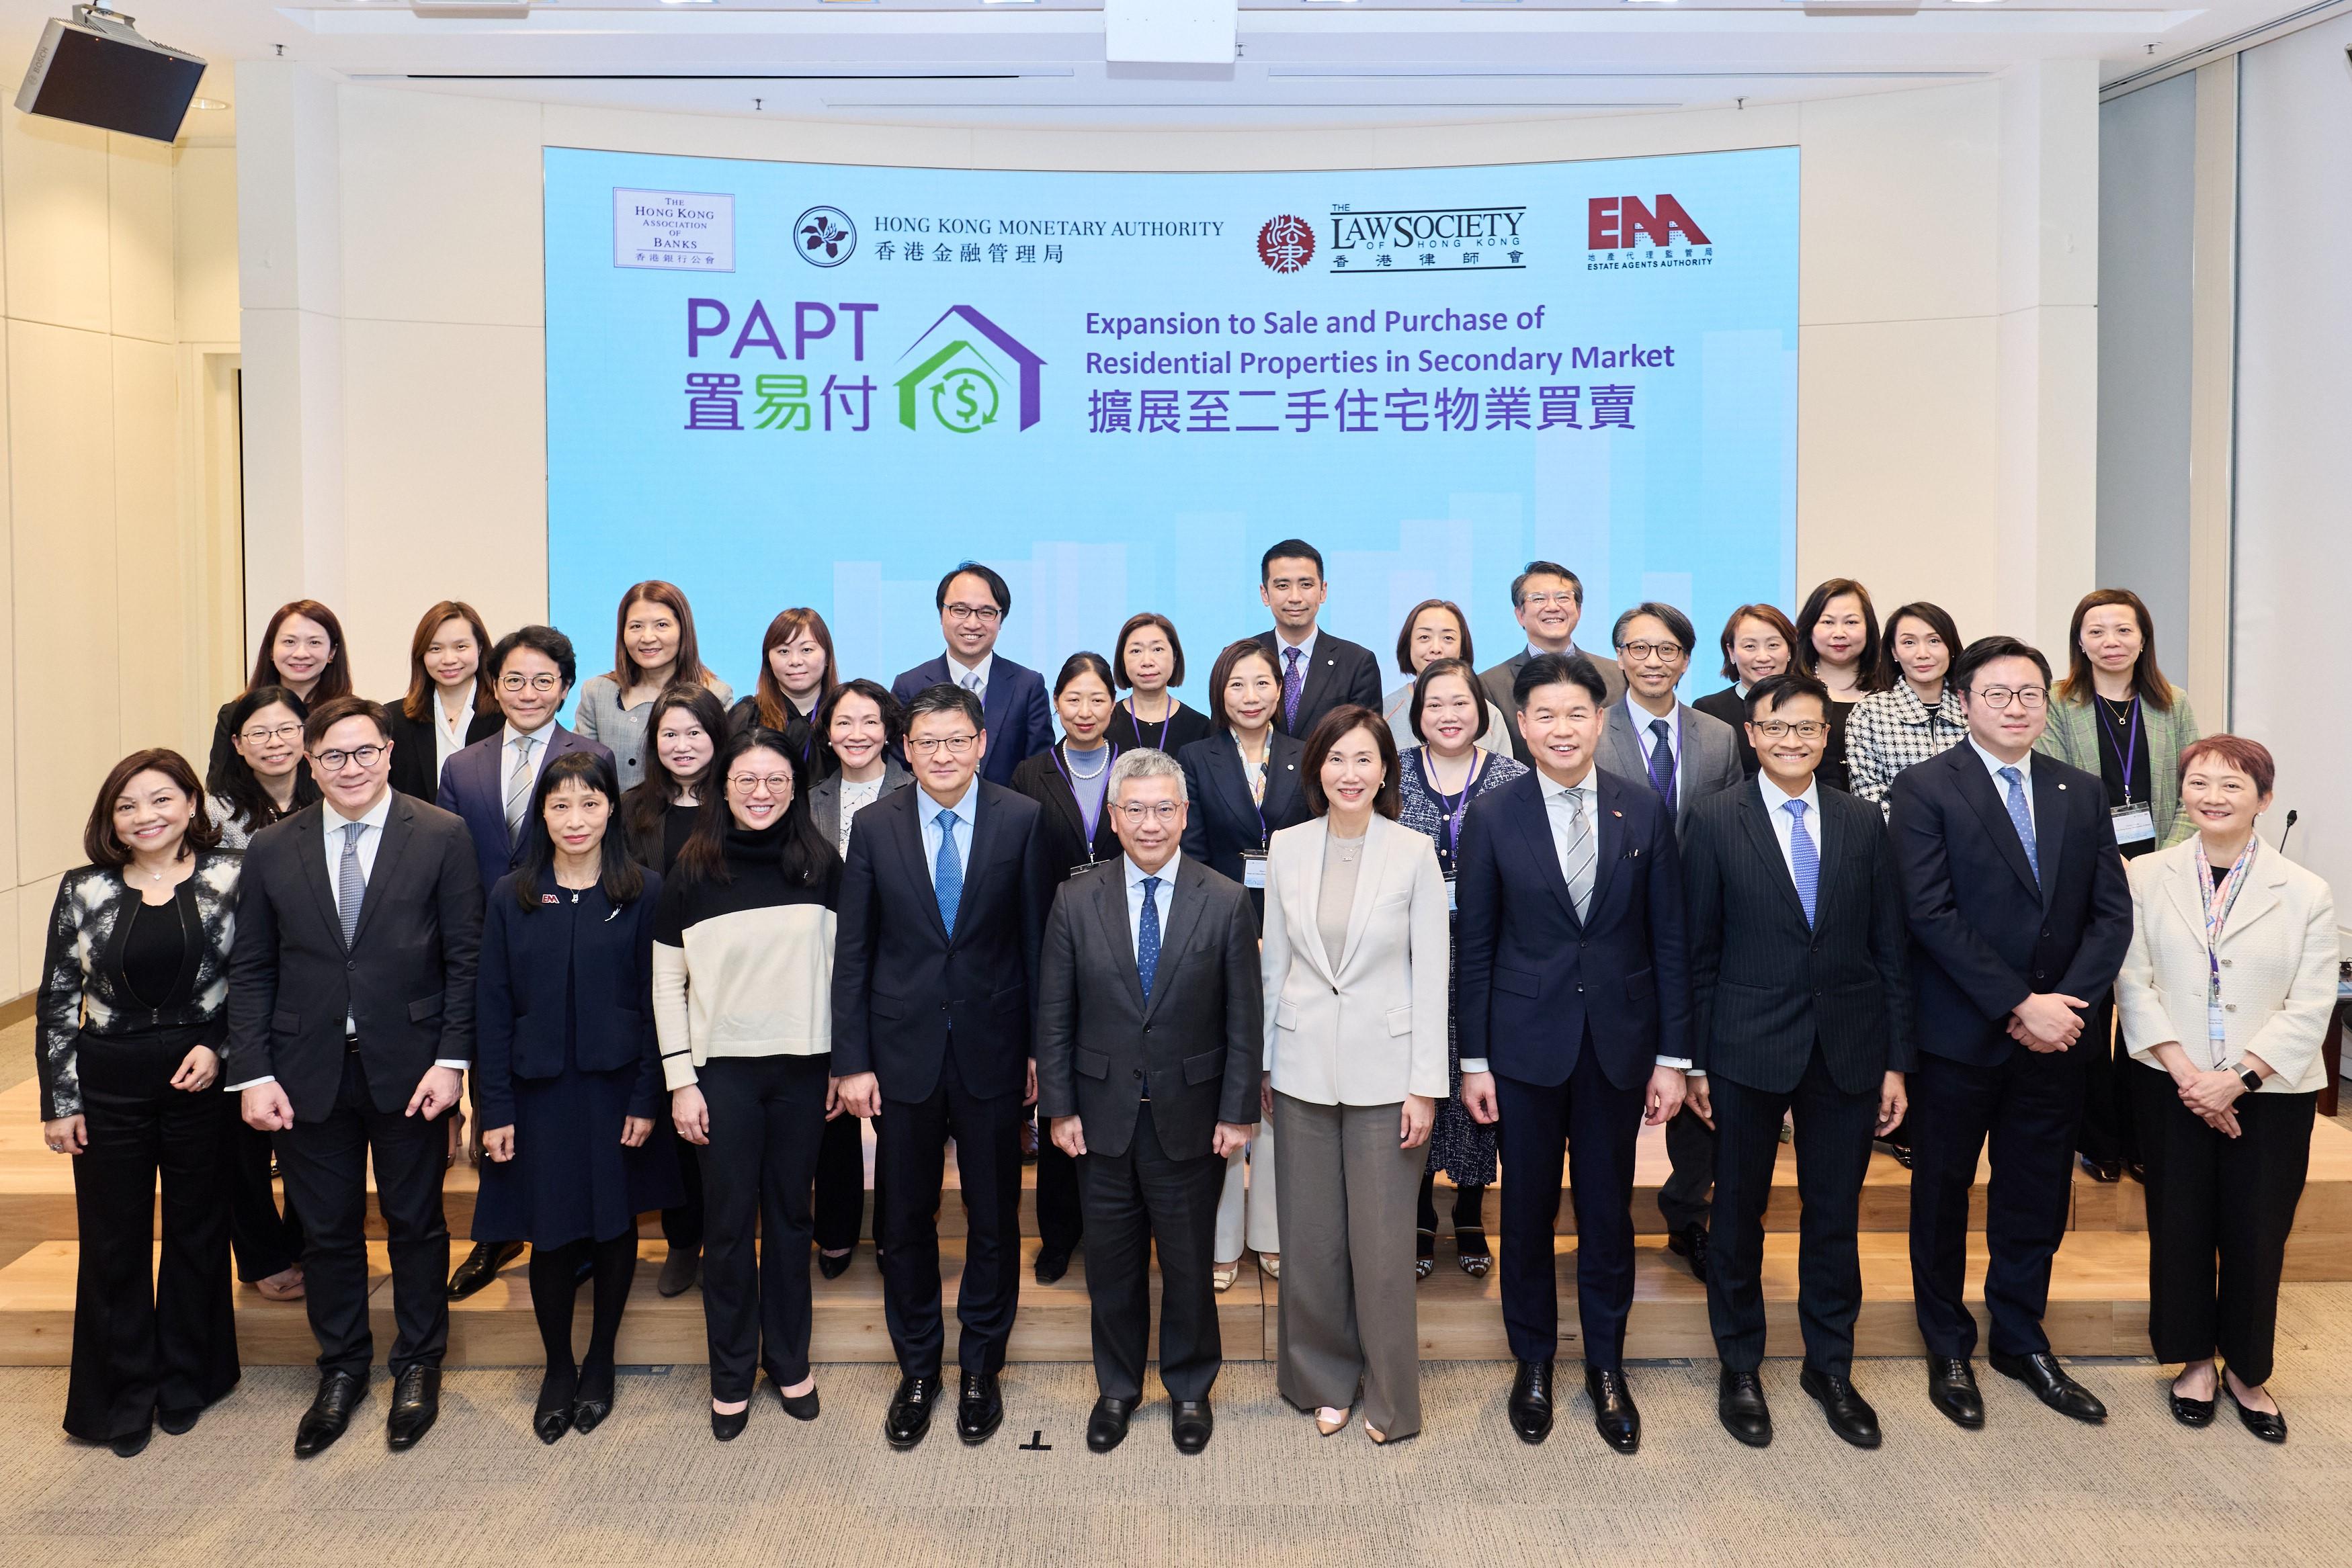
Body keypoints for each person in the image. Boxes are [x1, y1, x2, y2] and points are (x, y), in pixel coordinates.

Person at [224, 695, 483, 1456]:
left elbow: (465, 959)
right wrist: (253, 1074)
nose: (351, 768)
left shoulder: (441, 834)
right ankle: (340, 1366)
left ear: (389, 754)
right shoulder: (274, 848)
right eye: (332, 756)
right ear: (310, 763)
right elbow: (251, 968)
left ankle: (417, 1364)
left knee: (416, 1224)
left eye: (365, 752)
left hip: (412, 1069)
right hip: (306, 1070)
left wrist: (451, 1062)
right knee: (329, 1232)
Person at [1887, 635, 2131, 1431]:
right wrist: (2015, 1004)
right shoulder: (1924, 787)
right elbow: (1928, 913)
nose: (2015, 707)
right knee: (1942, 1193)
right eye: (1996, 694)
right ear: (1963, 702)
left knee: (2032, 1194)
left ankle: (2020, 1338)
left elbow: (2109, 915)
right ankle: (1947, 1343)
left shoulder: (2080, 790)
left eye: (2028, 693)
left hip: (2059, 1037)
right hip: (1960, 1035)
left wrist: (2064, 1005)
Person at [1456, 652, 1690, 1455]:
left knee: (1605, 1214)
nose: (1561, 729)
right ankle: (1532, 1363)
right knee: (1523, 1215)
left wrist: (1672, 1057)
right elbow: (1476, 946)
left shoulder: (1641, 808)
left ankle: (1605, 1368)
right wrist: (1473, 1061)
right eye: (1544, 716)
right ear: (1521, 726)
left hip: (1618, 1048)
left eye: (1576, 715)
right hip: (1521, 1049)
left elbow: (1668, 941)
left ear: (1601, 720)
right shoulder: (1492, 814)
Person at [1681, 673, 1913, 1450]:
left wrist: (1894, 1062)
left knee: (1831, 1215)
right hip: (1743, 1047)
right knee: (1736, 1214)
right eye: (1775, 728)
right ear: (1750, 734)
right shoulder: (1713, 821)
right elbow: (1698, 953)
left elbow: (1889, 949)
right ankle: (1739, 1363)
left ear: (1826, 736)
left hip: (1846, 1048)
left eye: (1807, 729)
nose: (1791, 741)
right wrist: (1695, 1064)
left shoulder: (1858, 821)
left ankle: (1829, 1365)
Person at [831, 683, 1054, 1450]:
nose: (943, 755)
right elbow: (853, 952)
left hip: (994, 1053)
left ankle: (979, 1368)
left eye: (957, 740)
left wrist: (1036, 1051)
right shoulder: (874, 826)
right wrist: (852, 1060)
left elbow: (1036, 949)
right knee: (904, 1219)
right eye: (927, 743)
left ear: (983, 742)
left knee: (993, 1219)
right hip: (900, 1057)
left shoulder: (1022, 820)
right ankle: (919, 1367)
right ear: (905, 749)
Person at [1034, 749, 1263, 1453]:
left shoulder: (1223, 898)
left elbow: (1242, 1021)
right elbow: (1055, 1014)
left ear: (1184, 814)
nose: (1150, 822)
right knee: (1111, 1265)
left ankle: (1190, 1389)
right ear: (1112, 816)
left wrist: (1235, 1113)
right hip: (1098, 1118)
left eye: (1164, 808)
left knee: (1190, 1265)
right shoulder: (1076, 898)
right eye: (1134, 808)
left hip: (1191, 1118)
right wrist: (1060, 1107)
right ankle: (1118, 1388)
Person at [2115, 735, 2335, 1444]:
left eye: (2231, 786)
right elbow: (2131, 980)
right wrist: (2188, 1076)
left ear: (2262, 800)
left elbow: (2311, 1001)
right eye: (2198, 782)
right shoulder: (2143, 876)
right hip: (2167, 1081)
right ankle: (2190, 1363)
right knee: (2177, 1224)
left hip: (2269, 1091)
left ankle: (2245, 1367)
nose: (2212, 796)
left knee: (2255, 1229)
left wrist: (2237, 1079)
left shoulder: (2304, 890)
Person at [471, 751, 680, 1444]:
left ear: (611, 809)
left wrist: (649, 1097)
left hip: (619, 1090)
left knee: (616, 1227)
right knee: (552, 1234)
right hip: (536, 1096)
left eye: (589, 803)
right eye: (559, 805)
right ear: (542, 815)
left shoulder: (643, 890)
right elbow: (492, 1008)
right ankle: (558, 1366)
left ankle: (599, 1360)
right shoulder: (512, 894)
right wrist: (492, 1108)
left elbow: (663, 1004)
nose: (575, 819)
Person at [37, 751, 241, 1457]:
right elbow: (60, 1000)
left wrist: (218, 1045)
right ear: (111, 820)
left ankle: (189, 1379)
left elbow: (255, 978)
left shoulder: (232, 877)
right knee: (113, 1241)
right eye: (128, 805)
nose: (145, 816)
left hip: (199, 1080)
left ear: (191, 804)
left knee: (195, 1232)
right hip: (109, 1082)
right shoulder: (83, 889)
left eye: (161, 800)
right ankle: (120, 1396)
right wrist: (61, 1102)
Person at [1261, 706, 1450, 1444]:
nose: (1349, 773)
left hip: (1387, 1077)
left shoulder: (1412, 852)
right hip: (1302, 1069)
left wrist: (1423, 1084)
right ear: (1316, 770)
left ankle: (1392, 1398)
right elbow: (1274, 961)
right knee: (1309, 1242)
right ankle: (1321, 1380)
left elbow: (1431, 974)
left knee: (1380, 1248)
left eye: (1364, 760)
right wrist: (1267, 1067)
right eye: (1336, 760)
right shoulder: (1286, 847)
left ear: (1384, 771)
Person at [654, 728, 842, 1440]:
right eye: (745, 781)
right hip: (719, 1077)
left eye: (774, 782)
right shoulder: (691, 871)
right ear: (721, 790)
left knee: (792, 1224)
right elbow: (665, 982)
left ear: (794, 791)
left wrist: (839, 1062)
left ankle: (788, 1363)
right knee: (728, 1230)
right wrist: (680, 1081)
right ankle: (730, 1374)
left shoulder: (821, 865)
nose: (760, 793)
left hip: (801, 1072)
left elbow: (842, 974)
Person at [439, 625, 613, 1298]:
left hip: (568, 941)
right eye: (514, 679)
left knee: (566, 1096)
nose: (529, 692)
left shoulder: (588, 754)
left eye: (544, 680)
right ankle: (499, 1228)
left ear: (566, 687)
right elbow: (457, 869)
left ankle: (581, 1232)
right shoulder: (463, 765)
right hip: (492, 945)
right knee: (496, 1088)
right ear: (493, 686)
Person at [1595, 602, 1742, 1282]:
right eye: (1637, 648)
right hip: (1617, 928)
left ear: (1685, 659)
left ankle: (1687, 1213)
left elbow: (1735, 826)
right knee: (1617, 1072)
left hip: (1701, 927)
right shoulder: (1593, 730)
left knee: (1695, 1065)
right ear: (1619, 656)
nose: (1652, 661)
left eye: (1666, 650)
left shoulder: (1716, 737)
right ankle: (1605, 1220)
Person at [2038, 588, 2204, 1184]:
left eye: (2123, 630)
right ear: (2080, 640)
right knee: (2093, 1007)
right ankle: (2098, 1139)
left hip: (2163, 874)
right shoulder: (2059, 702)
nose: (2111, 642)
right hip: (2086, 871)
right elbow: (2053, 786)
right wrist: (2113, 861)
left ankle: (2141, 1139)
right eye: (2097, 631)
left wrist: (2161, 861)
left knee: (2148, 1009)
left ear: (2143, 637)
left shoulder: (2172, 703)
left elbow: (2193, 786)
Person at [1177, 640, 1310, 1287]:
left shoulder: (1304, 754)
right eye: (1237, 685)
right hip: (1219, 934)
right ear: (1219, 693)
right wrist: (1238, 929)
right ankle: (1224, 1239)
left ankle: (1273, 1233)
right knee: (1229, 1085)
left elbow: (1315, 844)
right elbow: (1194, 852)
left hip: (1295, 939)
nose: (1251, 697)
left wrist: (1284, 930)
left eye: (1262, 684)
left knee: (1279, 1086)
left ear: (1278, 692)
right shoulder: (1194, 759)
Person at [1393, 659, 1526, 1280]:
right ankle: (1417, 1209)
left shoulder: (1513, 778)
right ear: (1418, 713)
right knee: (1415, 1078)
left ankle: (1470, 1209)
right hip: (1407, 958)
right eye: (1435, 705)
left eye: (1460, 703)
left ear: (1483, 711)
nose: (1448, 715)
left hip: (1493, 955)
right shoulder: (1390, 776)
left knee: (1481, 1076)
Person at [1011, 652, 1130, 1284]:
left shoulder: (1135, 768)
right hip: (1054, 942)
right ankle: (1058, 1235)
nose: (1086, 712)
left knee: (1114, 1094)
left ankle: (1112, 1229)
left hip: (1125, 946)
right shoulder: (1029, 774)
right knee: (1059, 1091)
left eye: (1098, 700)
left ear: (1114, 704)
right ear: (1057, 704)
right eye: (1073, 699)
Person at [616, 682, 731, 1297]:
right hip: (650, 980)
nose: (683, 745)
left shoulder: (740, 802)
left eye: (695, 732)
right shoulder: (632, 808)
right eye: (670, 734)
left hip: (725, 988)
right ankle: (683, 1240)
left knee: (718, 1117)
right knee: (668, 1115)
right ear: (652, 743)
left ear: (717, 736)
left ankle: (725, 1236)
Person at [204, 687, 314, 1303]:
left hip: (310, 984)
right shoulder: (212, 816)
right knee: (240, 1138)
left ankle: (309, 1241)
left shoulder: (333, 795)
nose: (275, 743)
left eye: (286, 729)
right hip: (233, 983)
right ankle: (262, 1253)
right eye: (259, 734)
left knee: (309, 1127)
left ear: (307, 733)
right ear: (239, 746)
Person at [804, 678, 911, 1280]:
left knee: (898, 1111)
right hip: (829, 964)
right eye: (844, 723)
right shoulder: (810, 798)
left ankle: (895, 1234)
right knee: (835, 1109)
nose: (856, 735)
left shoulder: (915, 790)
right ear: (827, 731)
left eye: (869, 723)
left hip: (898, 965)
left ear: (890, 732)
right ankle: (837, 1230)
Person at [890, 562, 1054, 787]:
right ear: (941, 614)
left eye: (986, 612)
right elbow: (899, 770)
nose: (972, 623)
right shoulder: (910, 686)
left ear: (1000, 619)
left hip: (1008, 818)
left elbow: (1038, 771)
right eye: (960, 610)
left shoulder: (1027, 686)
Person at [571, 581, 734, 793]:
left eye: (662, 625)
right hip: (611, 823)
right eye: (636, 626)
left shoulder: (715, 694)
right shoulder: (597, 692)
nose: (647, 638)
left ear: (683, 630)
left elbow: (725, 775)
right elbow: (582, 775)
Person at [1477, 562, 1625, 767]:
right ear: (1520, 614)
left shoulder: (1617, 675)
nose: (1553, 607)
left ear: (1579, 610)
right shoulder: (1490, 685)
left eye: (1563, 597)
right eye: (1538, 599)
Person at [206, 599, 352, 788]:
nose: (301, 653)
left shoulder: (351, 717)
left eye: (314, 642)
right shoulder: (235, 714)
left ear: (332, 652)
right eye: (289, 642)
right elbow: (220, 789)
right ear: (271, 650)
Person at [1254, 539, 1384, 742]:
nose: (1295, 597)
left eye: (1306, 585)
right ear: (1265, 594)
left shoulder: (1357, 663)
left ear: (1323, 591)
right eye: (1283, 586)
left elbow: (1367, 743)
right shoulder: (1241, 659)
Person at [1847, 601, 1968, 814]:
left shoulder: (1974, 707)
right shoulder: (1870, 713)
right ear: (1894, 652)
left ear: (1951, 648)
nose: (1922, 653)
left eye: (1934, 641)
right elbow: (1869, 797)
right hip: (1900, 840)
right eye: (1909, 642)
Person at [386, 601, 501, 802]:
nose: (449, 659)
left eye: (461, 647)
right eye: (436, 649)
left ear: (480, 647)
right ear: (422, 654)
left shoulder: (506, 714)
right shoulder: (394, 719)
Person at [1382, 599, 1511, 754]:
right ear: (1408, 645)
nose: (1436, 648)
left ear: (1463, 648)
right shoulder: (1386, 712)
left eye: (1448, 638)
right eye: (1424, 637)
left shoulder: (1490, 715)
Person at [1793, 579, 1883, 795]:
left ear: (1869, 629)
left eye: (1851, 622)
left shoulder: (1889, 693)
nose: (1839, 633)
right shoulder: (1792, 691)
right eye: (1828, 622)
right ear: (1809, 628)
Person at [730, 607, 839, 780]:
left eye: (807, 650)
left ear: (827, 657)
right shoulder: (748, 716)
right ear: (769, 661)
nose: (795, 661)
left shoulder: (844, 715)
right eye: (784, 651)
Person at [1693, 603, 1799, 779]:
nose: (1763, 657)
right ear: (1731, 652)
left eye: (1773, 645)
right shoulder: (1709, 710)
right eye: (1750, 646)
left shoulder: (1810, 705)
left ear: (1789, 650)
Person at [1105, 612, 1214, 756]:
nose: (1147, 662)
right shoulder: (1105, 723)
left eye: (1157, 649)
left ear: (1175, 657)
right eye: (1136, 651)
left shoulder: (1200, 727)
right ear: (1122, 659)